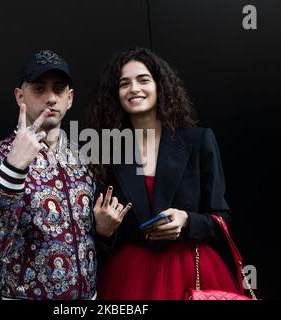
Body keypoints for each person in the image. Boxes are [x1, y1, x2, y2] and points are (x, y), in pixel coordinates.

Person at [0, 50, 132, 299]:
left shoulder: (84, 159)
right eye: (39, 89)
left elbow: (94, 244)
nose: (50, 98)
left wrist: (103, 231)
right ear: (19, 96)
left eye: (58, 89)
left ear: (70, 98)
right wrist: (14, 167)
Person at [87, 47, 242, 299]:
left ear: (160, 87)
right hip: (130, 276)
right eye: (124, 83)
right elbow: (112, 237)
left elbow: (222, 219)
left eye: (143, 80)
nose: (134, 88)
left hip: (191, 269)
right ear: (115, 95)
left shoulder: (198, 141)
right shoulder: (107, 151)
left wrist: (186, 220)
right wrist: (103, 231)